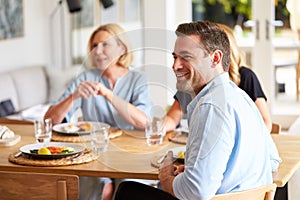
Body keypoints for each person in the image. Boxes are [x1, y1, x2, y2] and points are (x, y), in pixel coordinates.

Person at [114, 21, 281, 200]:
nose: (175, 66)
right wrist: (200, 170)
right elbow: (272, 162)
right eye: (174, 57)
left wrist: (167, 178)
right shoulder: (241, 98)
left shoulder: (210, 107)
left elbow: (196, 192)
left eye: (186, 57)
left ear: (215, 58)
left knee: (128, 191)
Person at [44, 23, 152, 200]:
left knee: (127, 189)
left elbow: (144, 122)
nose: (97, 50)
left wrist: (108, 94)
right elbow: (49, 121)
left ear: (122, 49)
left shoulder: (137, 79)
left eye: (105, 44)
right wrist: (74, 96)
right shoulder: (85, 77)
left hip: (128, 153)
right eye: (94, 46)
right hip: (93, 154)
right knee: (103, 189)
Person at [165, 23, 272, 132]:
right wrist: (155, 129)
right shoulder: (195, 80)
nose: (175, 66)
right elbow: (173, 117)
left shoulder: (245, 76)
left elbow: (265, 122)